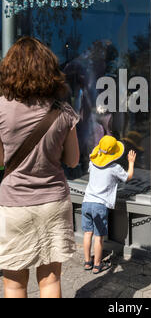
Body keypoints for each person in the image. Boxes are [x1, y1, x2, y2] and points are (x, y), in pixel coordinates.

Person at [0, 36, 80, 298]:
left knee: (14, 283)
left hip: (14, 205)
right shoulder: (64, 111)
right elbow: (73, 161)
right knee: (50, 279)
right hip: (53, 202)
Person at [82, 135, 136, 274]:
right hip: (100, 205)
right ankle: (97, 265)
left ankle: (88, 261)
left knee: (88, 233)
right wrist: (131, 162)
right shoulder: (115, 167)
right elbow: (127, 177)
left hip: (87, 202)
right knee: (99, 237)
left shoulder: (92, 163)